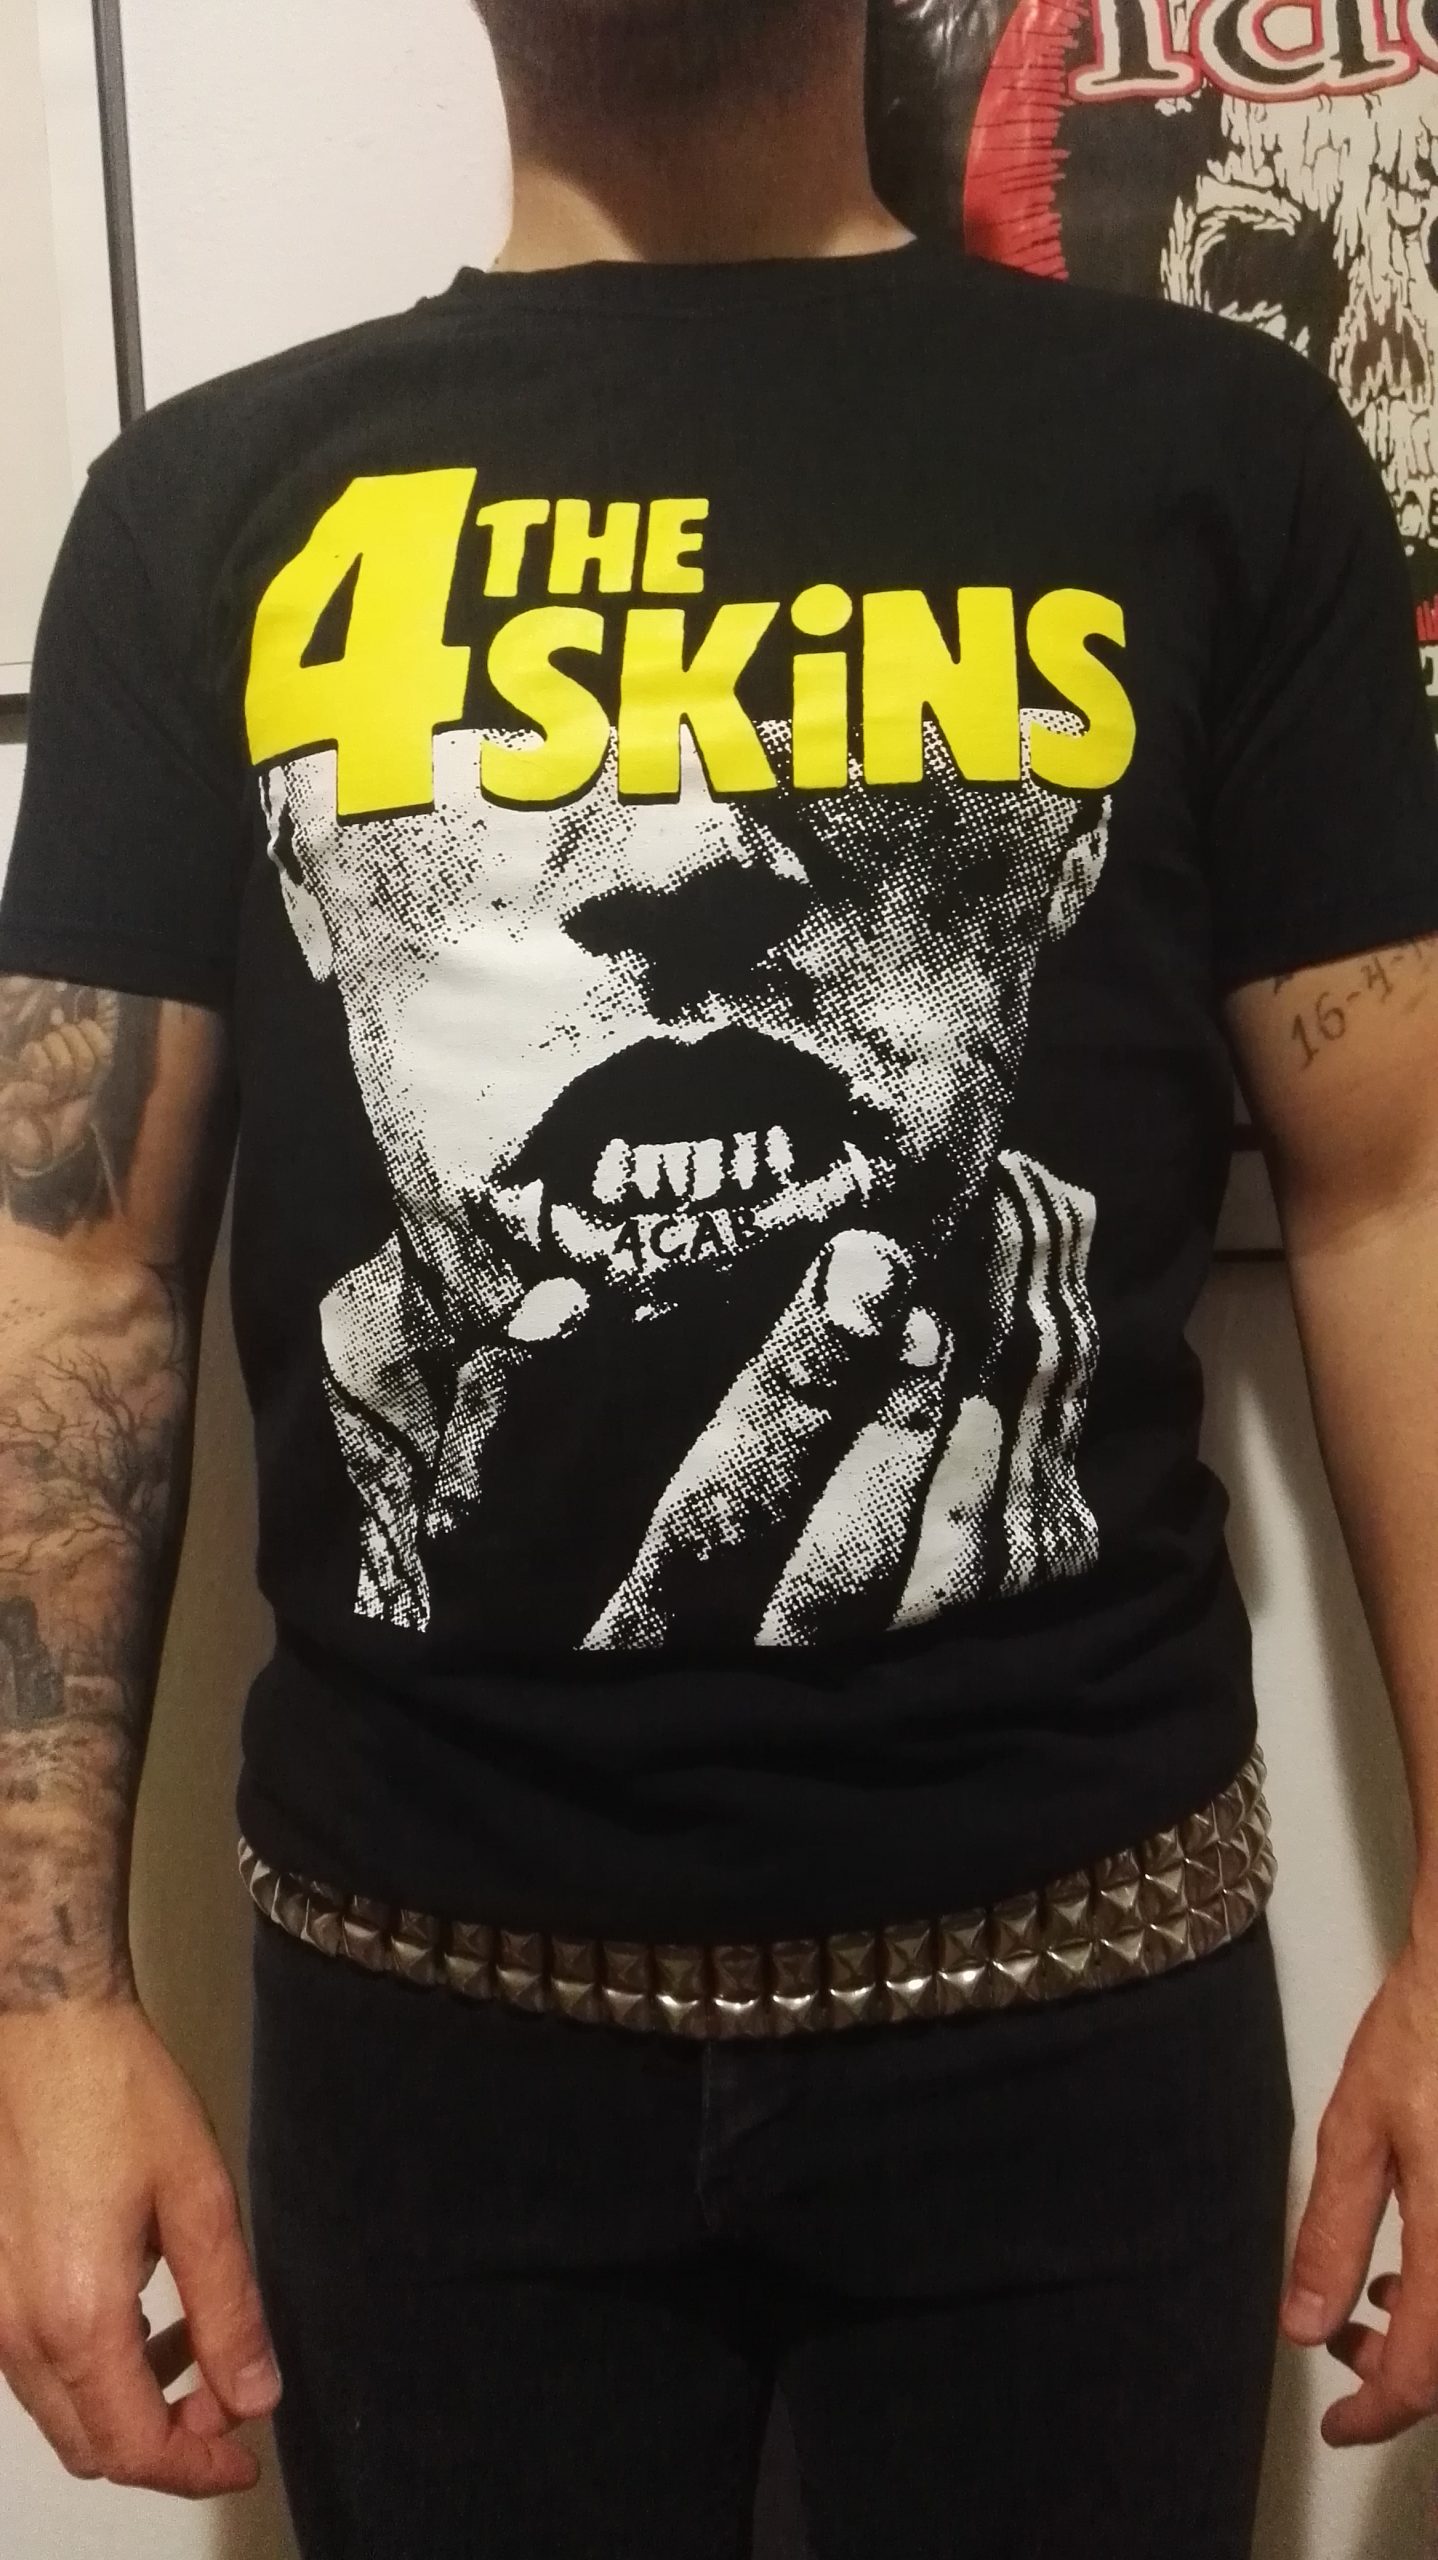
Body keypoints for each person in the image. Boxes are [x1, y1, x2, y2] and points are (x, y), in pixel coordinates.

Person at [0, 1, 1436, 2552]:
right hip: (426, 2060)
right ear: (312, 879)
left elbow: (1392, 1195)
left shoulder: (1214, 452)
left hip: (1073, 2035)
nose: (675, 861)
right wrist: (41, 2008)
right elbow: (71, 1269)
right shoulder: (203, 506)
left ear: (1056, 855)